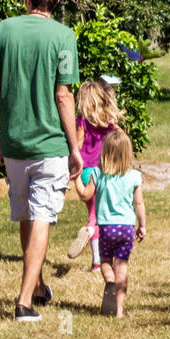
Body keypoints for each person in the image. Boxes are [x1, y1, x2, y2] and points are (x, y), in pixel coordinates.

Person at [0, 0, 82, 322]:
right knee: (41, 215)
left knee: (26, 213)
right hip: (49, 143)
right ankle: (24, 301)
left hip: (13, 141)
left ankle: (38, 285)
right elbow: (63, 94)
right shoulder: (64, 36)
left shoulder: (5, 29)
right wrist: (74, 146)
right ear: (54, 4)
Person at [72, 128, 146, 317]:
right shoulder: (133, 176)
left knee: (105, 262)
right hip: (126, 229)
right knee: (121, 266)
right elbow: (139, 203)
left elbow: (84, 195)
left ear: (104, 152)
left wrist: (76, 180)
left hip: (106, 229)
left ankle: (109, 281)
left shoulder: (98, 174)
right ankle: (119, 310)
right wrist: (142, 226)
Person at [66, 79, 125, 271]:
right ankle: (91, 234)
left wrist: (73, 173)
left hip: (85, 173)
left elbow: (78, 147)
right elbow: (121, 139)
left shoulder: (81, 122)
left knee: (94, 214)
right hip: (102, 173)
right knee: (98, 217)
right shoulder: (108, 122)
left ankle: (97, 262)